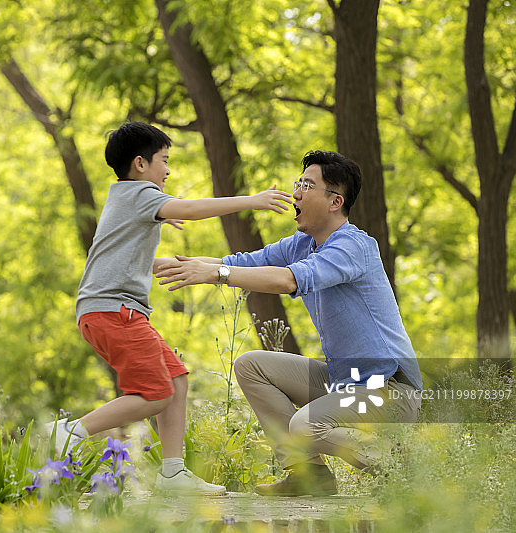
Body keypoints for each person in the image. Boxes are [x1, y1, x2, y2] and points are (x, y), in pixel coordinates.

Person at [156, 150, 423, 496]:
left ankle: (397, 467)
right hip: (348, 382)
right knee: (252, 366)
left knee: (304, 426)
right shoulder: (302, 244)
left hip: (391, 390)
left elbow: (287, 281)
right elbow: (238, 262)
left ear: (334, 201)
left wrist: (217, 274)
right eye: (298, 183)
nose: (295, 192)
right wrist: (144, 262)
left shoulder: (354, 247)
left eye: (307, 185)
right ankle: (310, 477)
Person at [47, 121, 293, 494]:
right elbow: (191, 207)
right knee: (155, 392)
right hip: (116, 312)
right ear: (141, 164)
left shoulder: (124, 199)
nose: (168, 169)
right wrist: (252, 200)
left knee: (175, 379)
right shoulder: (141, 194)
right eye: (164, 160)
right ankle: (70, 432)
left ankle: (173, 473)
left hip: (107, 310)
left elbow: (115, 255)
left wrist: (162, 260)